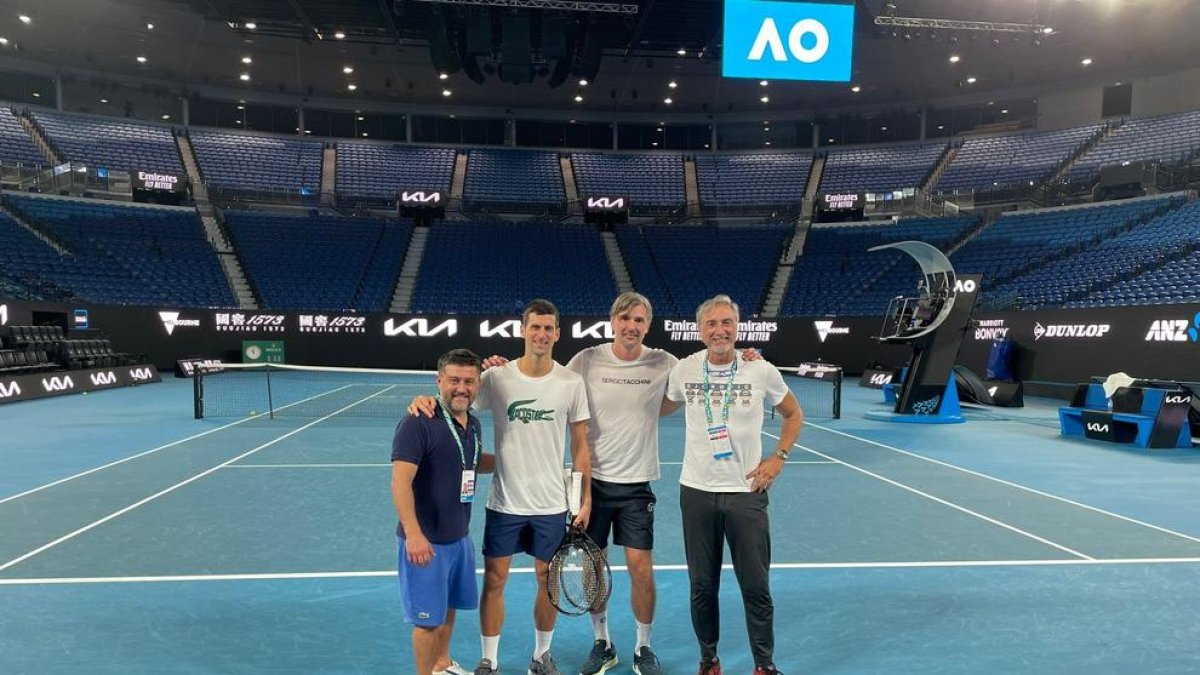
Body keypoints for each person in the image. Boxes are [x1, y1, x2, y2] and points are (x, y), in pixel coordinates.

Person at [665, 294, 804, 675]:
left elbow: (794, 415)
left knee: (756, 587)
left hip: (747, 494)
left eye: (726, 322)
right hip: (696, 491)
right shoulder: (685, 370)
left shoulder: (760, 370)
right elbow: (658, 404)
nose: (720, 330)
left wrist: (779, 457)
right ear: (699, 330)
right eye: (711, 324)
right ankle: (708, 660)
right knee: (702, 587)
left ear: (737, 326)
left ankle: (764, 665)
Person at [473, 299, 592, 675]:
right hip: (504, 502)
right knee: (494, 579)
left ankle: (541, 656)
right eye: (534, 327)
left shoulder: (571, 383)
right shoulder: (496, 378)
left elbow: (580, 446)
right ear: (523, 330)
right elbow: (458, 407)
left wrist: (582, 499)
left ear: (557, 333)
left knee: (548, 580)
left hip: (550, 504)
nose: (541, 334)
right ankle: (489, 660)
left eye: (548, 328)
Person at [391, 349, 495, 675]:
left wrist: (524, 457)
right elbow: (399, 482)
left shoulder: (473, 424)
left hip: (458, 538)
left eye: (468, 381)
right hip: (426, 541)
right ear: (439, 381)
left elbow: (475, 463)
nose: (461, 388)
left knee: (449, 608)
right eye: (453, 380)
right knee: (427, 622)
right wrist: (414, 534)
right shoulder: (418, 422)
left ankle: (442, 664)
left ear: (478, 384)